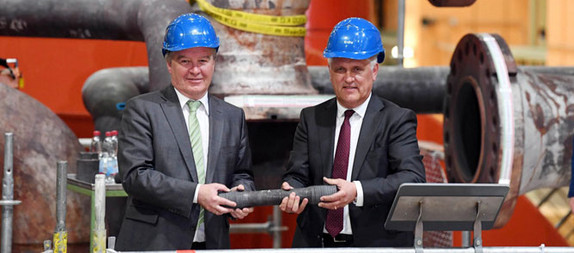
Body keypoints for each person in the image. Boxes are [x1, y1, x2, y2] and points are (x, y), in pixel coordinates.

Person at [279, 17, 426, 247]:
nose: (348, 78)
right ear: (330, 72)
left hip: (374, 245)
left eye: (357, 69)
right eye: (340, 70)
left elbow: (412, 178)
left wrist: (356, 191)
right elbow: (297, 174)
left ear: (374, 71)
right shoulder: (312, 118)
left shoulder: (395, 120)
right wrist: (292, 191)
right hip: (316, 244)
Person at [115, 13, 255, 251]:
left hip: (211, 242)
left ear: (214, 63)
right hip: (155, 243)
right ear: (169, 64)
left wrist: (243, 195)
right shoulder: (142, 109)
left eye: (203, 60)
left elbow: (242, 173)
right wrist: (197, 193)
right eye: (185, 61)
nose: (195, 70)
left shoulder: (232, 116)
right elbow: (135, 176)